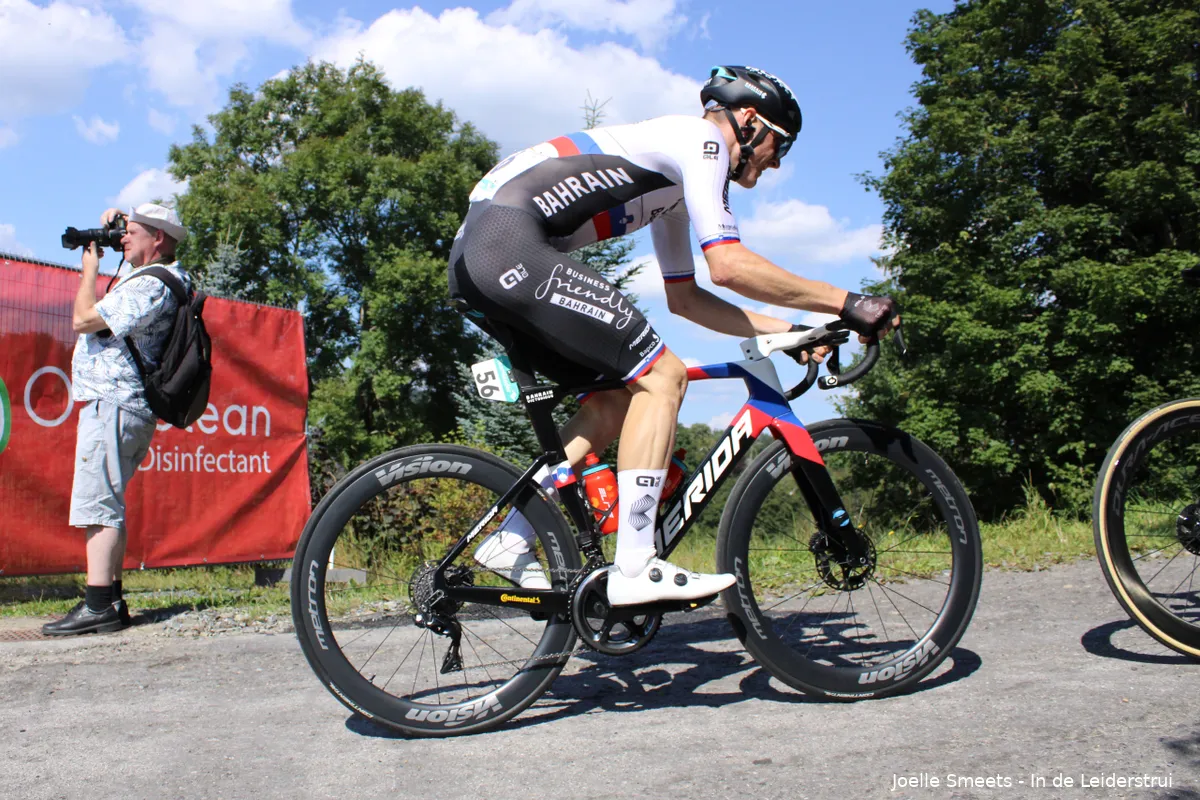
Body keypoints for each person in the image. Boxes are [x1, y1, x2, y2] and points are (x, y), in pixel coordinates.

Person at [449, 65, 899, 606]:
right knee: (664, 377)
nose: (777, 162)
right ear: (750, 121)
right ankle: (636, 566)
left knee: (616, 397)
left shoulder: (674, 182)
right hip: (506, 244)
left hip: (483, 256)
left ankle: (514, 534)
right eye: (780, 145)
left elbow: (685, 298)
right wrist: (848, 302)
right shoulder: (703, 142)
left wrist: (792, 330)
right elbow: (729, 265)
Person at [43, 203, 192, 635]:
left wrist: (88, 270)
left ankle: (98, 606)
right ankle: (111, 597)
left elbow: (83, 319)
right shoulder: (152, 276)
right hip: (120, 405)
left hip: (114, 403)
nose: (123, 238)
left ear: (158, 239)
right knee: (108, 502)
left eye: (132, 232)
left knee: (98, 506)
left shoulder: (153, 284)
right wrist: (115, 221)